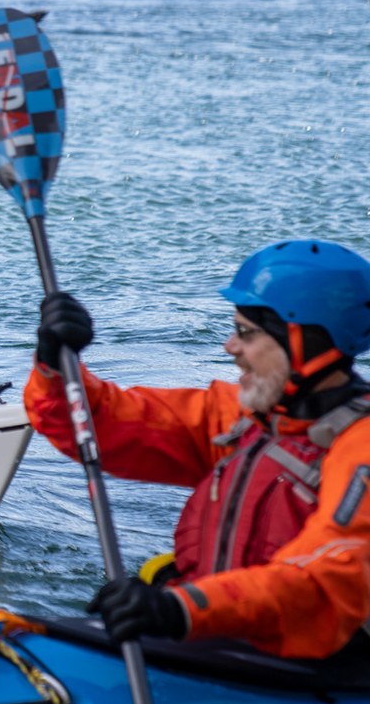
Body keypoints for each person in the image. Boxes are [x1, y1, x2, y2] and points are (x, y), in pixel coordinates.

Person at [26, 239, 370, 660]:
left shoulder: (360, 445)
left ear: (304, 342)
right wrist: (54, 366)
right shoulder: (242, 418)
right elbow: (96, 423)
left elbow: (323, 579)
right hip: (213, 642)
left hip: (302, 670)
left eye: (246, 332)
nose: (230, 346)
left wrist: (180, 609)